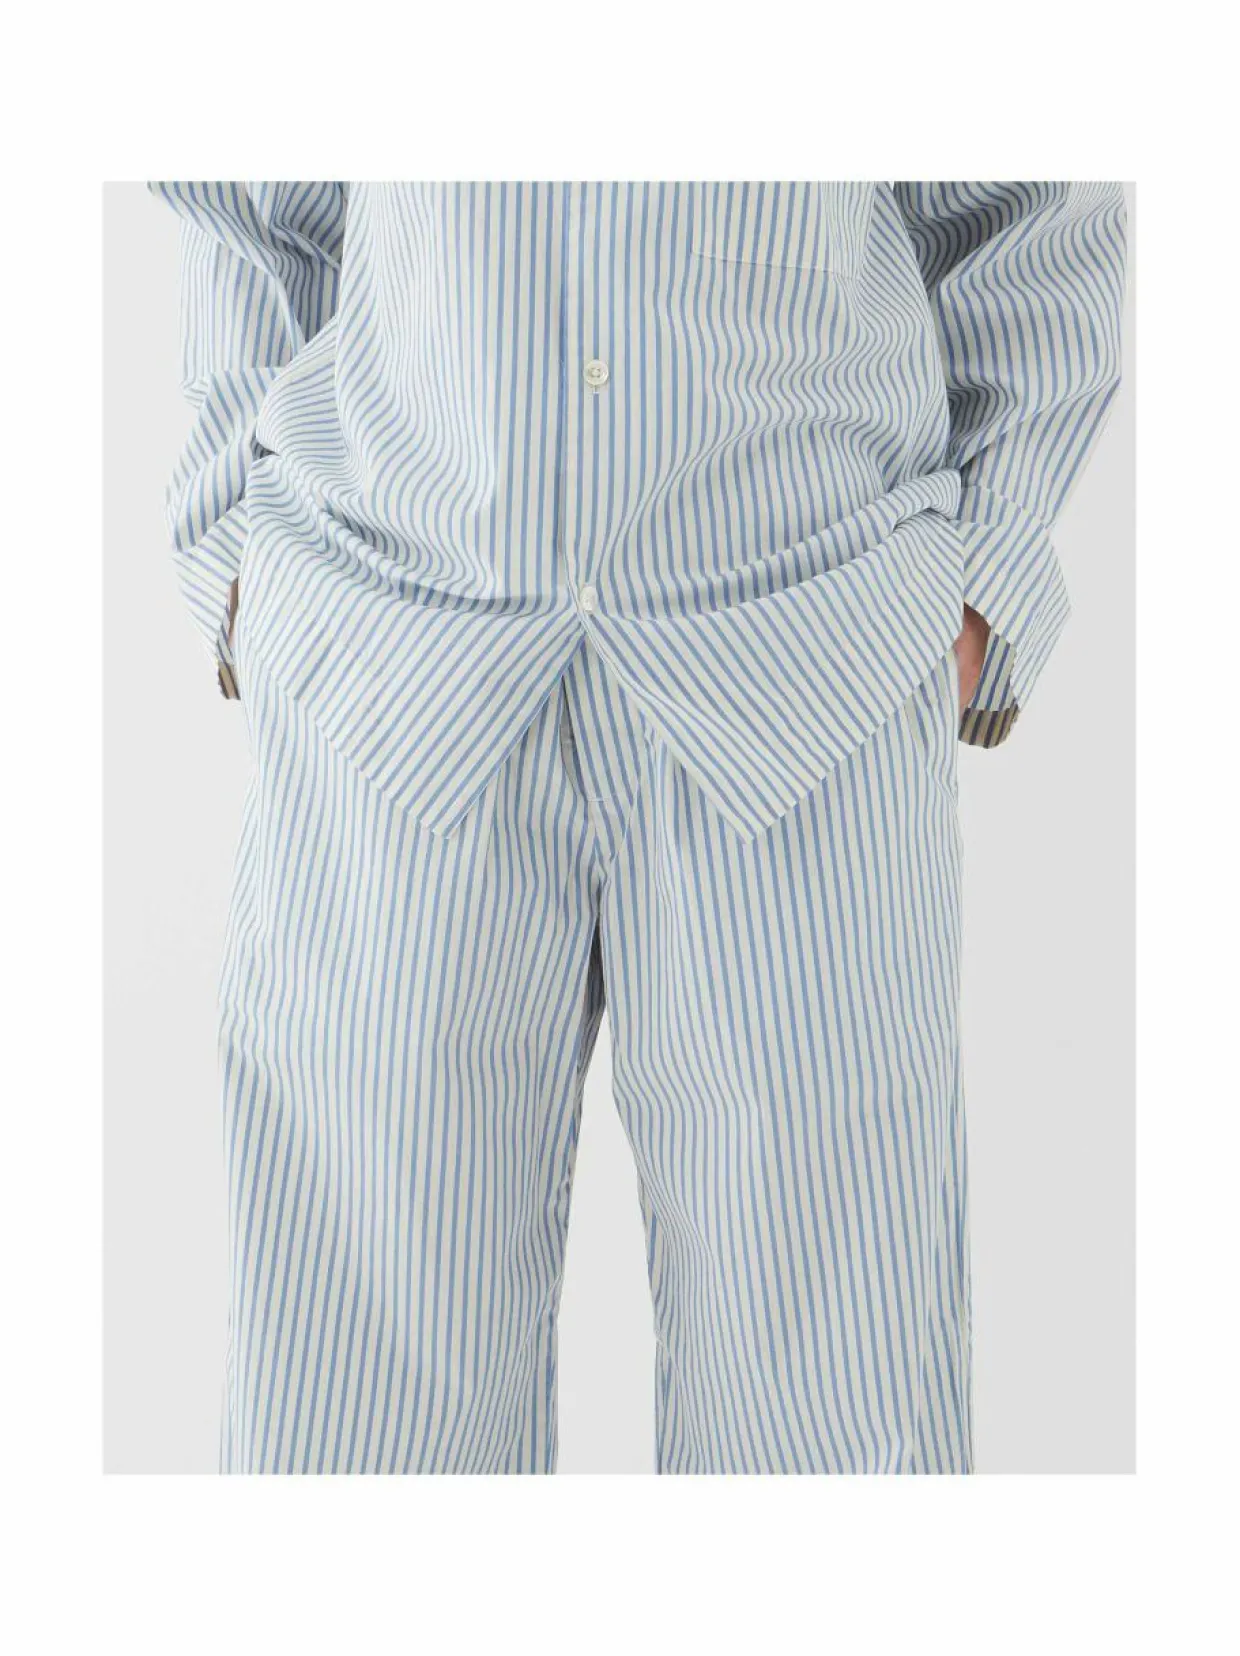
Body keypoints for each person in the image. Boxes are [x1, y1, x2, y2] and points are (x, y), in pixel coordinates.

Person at [151, 181, 1126, 1474]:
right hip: (392, 663)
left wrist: (988, 570)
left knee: (833, 1419)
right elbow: (242, 187)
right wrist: (237, 546)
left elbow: (1036, 189)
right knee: (353, 1420)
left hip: (808, 668)